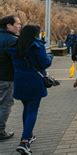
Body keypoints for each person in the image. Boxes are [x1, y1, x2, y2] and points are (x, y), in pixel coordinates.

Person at [9, 25, 52, 154]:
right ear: (35, 34)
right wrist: (50, 56)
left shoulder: (16, 45)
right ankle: (25, 141)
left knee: (26, 108)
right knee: (32, 110)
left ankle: (29, 134)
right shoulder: (37, 45)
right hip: (34, 81)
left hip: (20, 81)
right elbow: (44, 63)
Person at [0, 15, 21, 141]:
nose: (19, 26)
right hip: (5, 77)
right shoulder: (12, 40)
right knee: (5, 104)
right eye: (17, 24)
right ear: (8, 25)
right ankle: (0, 131)